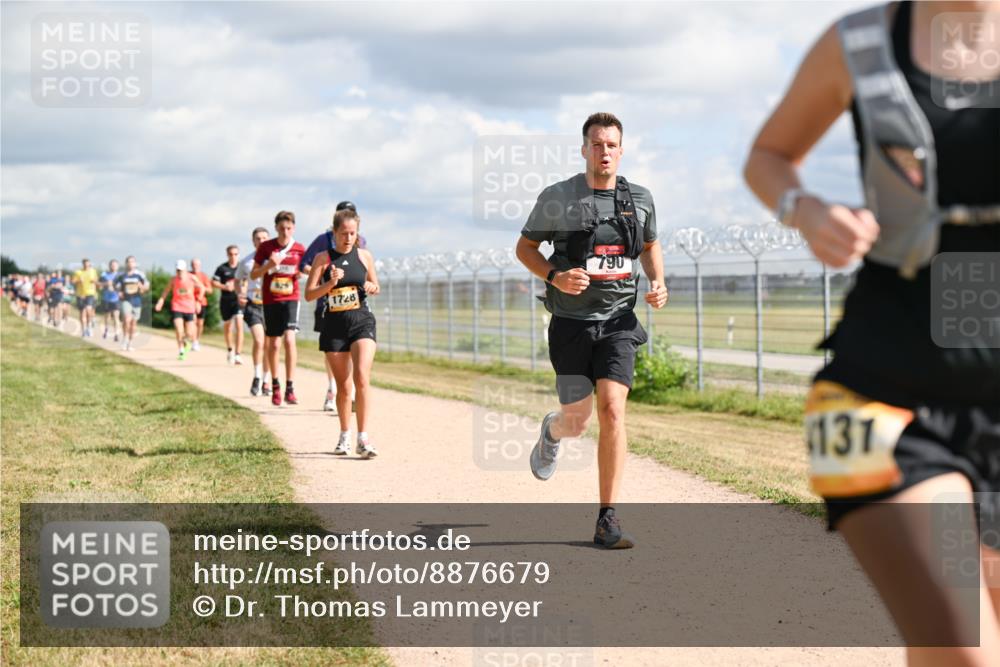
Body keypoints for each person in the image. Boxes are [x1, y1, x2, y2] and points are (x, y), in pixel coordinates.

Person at [744, 1, 999, 661]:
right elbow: (768, 155)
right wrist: (805, 209)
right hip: (880, 394)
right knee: (968, 649)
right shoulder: (857, 40)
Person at [515, 112, 667, 549]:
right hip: (570, 324)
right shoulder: (558, 197)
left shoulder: (640, 198)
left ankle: (607, 519)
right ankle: (553, 430)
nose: (604, 152)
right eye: (597, 144)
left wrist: (657, 281)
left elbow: (650, 245)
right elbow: (525, 248)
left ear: (622, 150)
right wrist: (555, 277)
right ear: (584, 149)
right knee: (578, 422)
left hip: (619, 321)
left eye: (612, 145)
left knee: (613, 412)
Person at [305, 207, 380, 457]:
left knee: (361, 377)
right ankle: (345, 435)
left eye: (353, 233)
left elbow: (375, 285)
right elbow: (309, 295)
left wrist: (371, 285)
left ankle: (364, 438)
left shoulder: (365, 256)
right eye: (344, 233)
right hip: (334, 325)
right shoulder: (323, 259)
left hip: (361, 320)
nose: (349, 238)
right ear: (334, 232)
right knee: (344, 386)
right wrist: (330, 283)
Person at [301, 200, 363, 412]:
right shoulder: (322, 240)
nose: (348, 236)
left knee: (355, 350)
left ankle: (350, 393)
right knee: (334, 351)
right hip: (326, 303)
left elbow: (363, 268)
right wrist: (323, 274)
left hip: (354, 308)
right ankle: (332, 389)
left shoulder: (359, 241)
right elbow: (304, 264)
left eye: (352, 214)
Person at [251, 211, 306, 406]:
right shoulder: (266, 247)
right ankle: (275, 384)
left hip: (291, 298)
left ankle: (290, 387)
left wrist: (305, 271)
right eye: (282, 228)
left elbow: (305, 267)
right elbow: (254, 274)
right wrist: (270, 265)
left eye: (289, 228)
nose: (285, 232)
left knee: (290, 340)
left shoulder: (299, 248)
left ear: (294, 228)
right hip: (271, 300)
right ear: (276, 228)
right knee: (273, 344)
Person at [236, 227, 272, 396]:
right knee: (259, 341)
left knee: (269, 345)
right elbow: (238, 280)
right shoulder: (246, 262)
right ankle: (257, 376)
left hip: (271, 305)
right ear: (253, 241)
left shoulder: (275, 259)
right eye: (258, 238)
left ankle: (266, 380)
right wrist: (240, 294)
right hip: (253, 304)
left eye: (265, 237)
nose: (261, 240)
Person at [154, 259, 203, 360]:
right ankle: (181, 349)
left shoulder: (192, 278)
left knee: (189, 333)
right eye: (177, 270)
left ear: (185, 269)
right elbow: (166, 291)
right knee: (178, 328)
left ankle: (187, 343)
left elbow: (202, 288)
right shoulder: (173, 280)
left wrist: (198, 301)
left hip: (190, 307)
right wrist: (161, 301)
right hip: (177, 306)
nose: (179, 272)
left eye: (181, 270)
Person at [214, 245, 244, 365]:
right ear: (227, 255)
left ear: (238, 254)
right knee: (227, 327)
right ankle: (230, 349)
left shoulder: (242, 268)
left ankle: (238, 354)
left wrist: (242, 290)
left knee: (239, 322)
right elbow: (214, 282)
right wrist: (224, 286)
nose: (233, 256)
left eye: (235, 254)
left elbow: (248, 280)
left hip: (238, 300)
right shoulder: (222, 268)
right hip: (226, 301)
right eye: (231, 254)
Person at [114, 256, 148, 351]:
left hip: (137, 301)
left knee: (133, 323)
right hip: (126, 300)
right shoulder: (122, 275)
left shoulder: (140, 275)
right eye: (129, 262)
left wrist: (142, 287)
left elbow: (146, 287)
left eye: (132, 262)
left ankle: (130, 342)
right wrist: (118, 292)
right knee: (127, 319)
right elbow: (115, 285)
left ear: (135, 263)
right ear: (126, 263)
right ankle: (124, 339)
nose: (130, 264)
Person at [189, 258, 213, 352]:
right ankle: (194, 341)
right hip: (190, 302)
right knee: (193, 321)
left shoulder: (203, 276)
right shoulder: (188, 275)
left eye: (197, 265)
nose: (195, 266)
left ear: (200, 266)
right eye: (194, 265)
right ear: (191, 265)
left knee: (200, 323)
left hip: (202, 302)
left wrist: (201, 287)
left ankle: (197, 340)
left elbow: (210, 290)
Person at [71, 259, 99, 337]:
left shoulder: (93, 271)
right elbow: (73, 281)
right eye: (85, 264)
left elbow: (96, 281)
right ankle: (84, 329)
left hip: (90, 293)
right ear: (82, 264)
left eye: (88, 264)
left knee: (89, 310)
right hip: (80, 294)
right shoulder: (78, 272)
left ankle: (89, 326)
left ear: (89, 264)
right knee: (82, 312)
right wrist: (78, 280)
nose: (86, 266)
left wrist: (94, 281)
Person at [99, 259, 122, 341]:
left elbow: (122, 286)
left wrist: (115, 287)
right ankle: (106, 329)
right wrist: (106, 284)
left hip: (116, 299)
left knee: (116, 317)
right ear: (109, 266)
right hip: (106, 299)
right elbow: (99, 285)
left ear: (118, 266)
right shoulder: (104, 274)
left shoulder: (120, 275)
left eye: (115, 265)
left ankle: (116, 334)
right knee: (107, 317)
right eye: (112, 265)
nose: (113, 266)